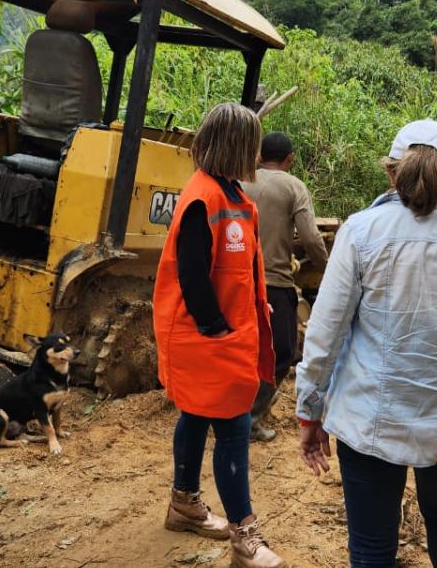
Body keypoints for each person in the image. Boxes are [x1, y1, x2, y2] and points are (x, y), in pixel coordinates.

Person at [294, 119, 437, 568]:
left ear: (390, 171)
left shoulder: (360, 232)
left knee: (372, 546)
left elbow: (326, 332)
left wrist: (310, 408)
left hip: (366, 422)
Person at [154, 103, 287, 568]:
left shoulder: (229, 194)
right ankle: (245, 537)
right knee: (234, 427)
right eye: (252, 143)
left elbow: (232, 270)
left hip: (223, 335)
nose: (256, 152)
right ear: (236, 146)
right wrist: (217, 327)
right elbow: (191, 275)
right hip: (208, 339)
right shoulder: (203, 197)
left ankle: (184, 503)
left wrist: (251, 306)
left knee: (194, 415)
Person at [241, 132, 329, 442]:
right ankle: (250, 418)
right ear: (289, 160)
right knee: (281, 352)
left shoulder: (238, 180)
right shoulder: (294, 187)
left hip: (237, 282)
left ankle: (231, 411)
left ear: (259, 155)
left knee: (241, 350)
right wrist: (329, 269)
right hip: (274, 284)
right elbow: (310, 238)